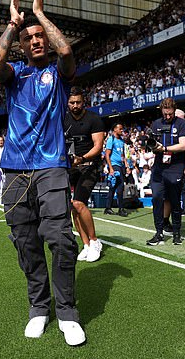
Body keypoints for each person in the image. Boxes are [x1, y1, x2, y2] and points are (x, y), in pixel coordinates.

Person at [0, 0, 84, 345]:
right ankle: (39, 308)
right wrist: (14, 25)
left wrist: (40, 14)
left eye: (39, 35)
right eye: (30, 38)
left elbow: (68, 51)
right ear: (23, 46)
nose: (37, 40)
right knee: (25, 242)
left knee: (59, 238)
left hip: (51, 167)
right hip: (14, 169)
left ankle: (68, 313)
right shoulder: (14, 74)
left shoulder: (59, 74)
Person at [64, 86, 106, 262]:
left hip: (90, 165)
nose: (75, 105)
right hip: (70, 166)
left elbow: (98, 146)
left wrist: (82, 158)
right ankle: (86, 244)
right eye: (72, 102)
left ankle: (95, 241)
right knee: (72, 207)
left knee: (79, 203)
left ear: (84, 102)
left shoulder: (94, 119)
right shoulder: (63, 119)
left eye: (78, 102)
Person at [146, 98, 185, 246]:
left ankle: (177, 232)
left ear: (174, 110)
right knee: (157, 198)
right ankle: (159, 232)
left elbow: (183, 145)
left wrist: (164, 149)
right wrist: (152, 145)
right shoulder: (156, 124)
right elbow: (151, 144)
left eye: (170, 114)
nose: (168, 117)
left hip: (175, 167)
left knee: (174, 200)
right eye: (165, 114)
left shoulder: (182, 124)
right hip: (159, 167)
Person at [103, 122, 129, 217]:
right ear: (114, 129)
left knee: (114, 187)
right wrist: (111, 168)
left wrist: (126, 165)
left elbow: (123, 155)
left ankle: (108, 208)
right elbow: (107, 154)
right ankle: (120, 208)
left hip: (120, 166)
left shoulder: (121, 141)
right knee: (119, 186)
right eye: (120, 129)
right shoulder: (111, 139)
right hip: (114, 165)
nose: (122, 131)